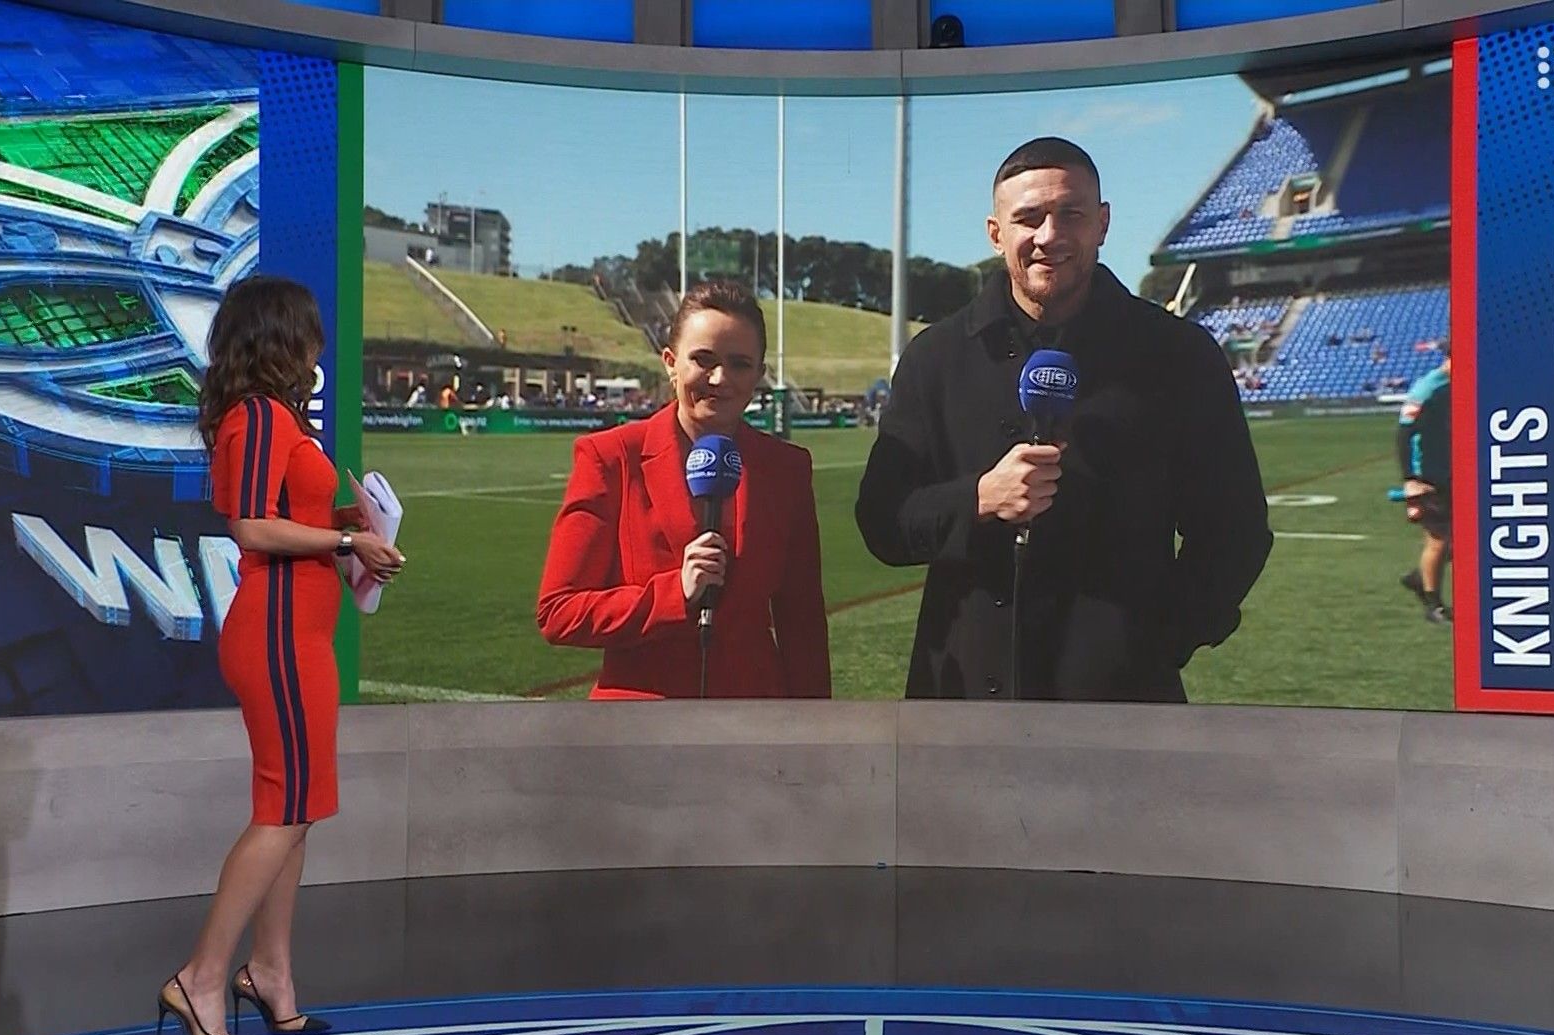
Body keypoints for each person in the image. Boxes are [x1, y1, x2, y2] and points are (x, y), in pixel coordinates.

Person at [855, 137, 1272, 702]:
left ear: (1102, 223)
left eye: (1070, 214)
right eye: (1028, 218)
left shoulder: (1179, 354)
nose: (1049, 236)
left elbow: (1236, 531)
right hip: (962, 701)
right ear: (996, 233)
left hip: (1122, 705)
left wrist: (1153, 644)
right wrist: (978, 498)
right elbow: (882, 520)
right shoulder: (936, 357)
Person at [162, 276, 403, 1035]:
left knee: (296, 807)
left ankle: (269, 974)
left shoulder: (269, 417)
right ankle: (201, 977)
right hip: (277, 634)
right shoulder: (260, 415)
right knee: (284, 810)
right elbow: (254, 527)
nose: (316, 349)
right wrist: (348, 540)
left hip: (296, 633)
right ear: (280, 338)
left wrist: (350, 523)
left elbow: (288, 516)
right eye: (307, 333)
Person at [537, 279, 829, 698]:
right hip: (641, 720)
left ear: (759, 375)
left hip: (753, 719)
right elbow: (558, 612)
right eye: (703, 359)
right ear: (670, 363)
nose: (720, 378)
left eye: (740, 364)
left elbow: (803, 623)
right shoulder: (611, 458)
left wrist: (816, 727)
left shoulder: (788, 469)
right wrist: (675, 594)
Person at [1398, 356, 1453, 624]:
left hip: (1451, 471)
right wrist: (1410, 479)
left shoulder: (1460, 383)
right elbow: (1403, 434)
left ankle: (1421, 576)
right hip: (1427, 476)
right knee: (1438, 538)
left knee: (1465, 540)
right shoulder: (1428, 388)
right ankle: (1433, 604)